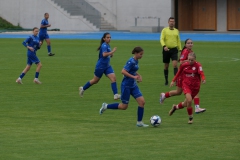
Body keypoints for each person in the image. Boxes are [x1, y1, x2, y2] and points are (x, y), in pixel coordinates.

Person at [99, 47, 148, 127]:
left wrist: (138, 75)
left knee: (142, 102)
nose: (141, 56)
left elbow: (133, 70)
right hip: (126, 86)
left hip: (133, 85)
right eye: (140, 54)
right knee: (124, 106)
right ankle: (106, 106)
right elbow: (123, 71)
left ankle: (139, 122)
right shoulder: (131, 61)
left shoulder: (136, 61)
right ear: (135, 53)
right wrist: (134, 77)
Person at [159, 39, 206, 113]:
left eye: (191, 43)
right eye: (188, 43)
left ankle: (164, 95)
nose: (190, 44)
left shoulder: (191, 52)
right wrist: (189, 60)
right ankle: (197, 107)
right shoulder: (185, 51)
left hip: (188, 75)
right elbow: (181, 62)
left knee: (179, 92)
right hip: (183, 75)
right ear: (185, 45)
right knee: (182, 91)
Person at [79, 32, 120, 100]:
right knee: (95, 81)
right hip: (100, 66)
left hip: (107, 66)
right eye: (107, 37)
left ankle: (115, 95)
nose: (109, 39)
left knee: (113, 78)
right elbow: (104, 54)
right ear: (104, 39)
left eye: (110, 37)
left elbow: (107, 54)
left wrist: (111, 54)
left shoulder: (108, 45)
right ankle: (82, 88)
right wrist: (112, 52)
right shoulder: (104, 45)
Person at [168, 52, 206, 124]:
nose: (190, 61)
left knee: (185, 104)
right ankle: (190, 118)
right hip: (186, 85)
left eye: (192, 60)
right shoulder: (184, 65)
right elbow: (178, 73)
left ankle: (175, 107)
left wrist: (203, 79)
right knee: (189, 100)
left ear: (195, 59)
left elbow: (201, 73)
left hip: (195, 87)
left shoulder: (198, 65)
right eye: (189, 60)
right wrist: (173, 80)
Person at [160, 17, 182, 85]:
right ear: (168, 22)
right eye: (170, 21)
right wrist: (164, 46)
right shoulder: (164, 30)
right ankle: (166, 81)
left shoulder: (176, 31)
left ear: (174, 23)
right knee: (166, 66)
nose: (172, 22)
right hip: (166, 50)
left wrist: (180, 49)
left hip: (174, 50)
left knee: (175, 65)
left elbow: (178, 40)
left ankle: (176, 80)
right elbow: (161, 39)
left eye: (173, 21)